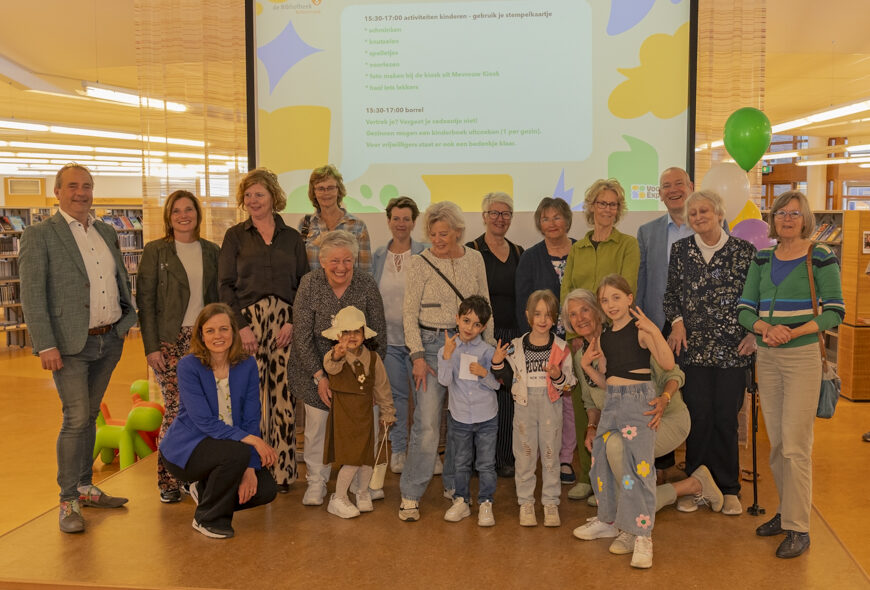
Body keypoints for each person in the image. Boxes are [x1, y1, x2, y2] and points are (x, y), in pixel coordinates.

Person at [20, 163, 138, 534]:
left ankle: (86, 487)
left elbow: (118, 279)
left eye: (87, 186)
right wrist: (45, 344)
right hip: (69, 345)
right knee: (75, 418)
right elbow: (32, 294)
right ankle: (68, 499)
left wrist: (124, 323)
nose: (81, 193)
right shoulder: (40, 235)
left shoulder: (105, 231)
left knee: (89, 416)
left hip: (109, 339)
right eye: (72, 186)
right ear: (57, 192)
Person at [738, 190, 844, 559]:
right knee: (779, 445)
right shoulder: (762, 258)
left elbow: (834, 311)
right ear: (773, 219)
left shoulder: (821, 256)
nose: (787, 218)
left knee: (797, 445)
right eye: (781, 212)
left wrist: (792, 332)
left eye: (795, 213)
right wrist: (765, 329)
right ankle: (786, 513)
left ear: (805, 219)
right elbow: (744, 309)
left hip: (801, 358)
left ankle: (799, 528)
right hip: (768, 357)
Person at [563, 288, 722, 514]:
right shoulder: (581, 357)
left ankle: (646, 508)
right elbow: (590, 403)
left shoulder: (629, 337)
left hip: (664, 419)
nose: (580, 318)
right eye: (573, 314)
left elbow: (674, 374)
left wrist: (664, 399)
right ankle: (693, 484)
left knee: (618, 457)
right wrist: (591, 426)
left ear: (598, 311)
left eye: (585, 310)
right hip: (624, 427)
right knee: (624, 492)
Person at [663, 189, 756, 516]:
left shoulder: (744, 251)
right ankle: (695, 485)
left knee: (725, 418)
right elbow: (671, 296)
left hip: (733, 350)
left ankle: (729, 487)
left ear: (719, 213)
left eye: (705, 211)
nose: (699, 217)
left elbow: (756, 296)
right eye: (693, 213)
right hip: (694, 351)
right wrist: (676, 323)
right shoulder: (681, 250)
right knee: (698, 417)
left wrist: (753, 333)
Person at [398, 201, 492, 522]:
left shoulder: (475, 259)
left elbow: (486, 308)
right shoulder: (419, 263)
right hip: (431, 346)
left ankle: (455, 486)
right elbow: (409, 314)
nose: (437, 240)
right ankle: (411, 494)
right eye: (433, 233)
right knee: (426, 423)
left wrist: (489, 352)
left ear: (458, 232)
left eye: (444, 233)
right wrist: (417, 355)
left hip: (470, 346)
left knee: (460, 422)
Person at [574, 274, 674, 569]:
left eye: (616, 297)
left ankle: (643, 535)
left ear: (630, 298)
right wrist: (585, 366)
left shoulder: (640, 330)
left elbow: (668, 363)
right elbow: (607, 381)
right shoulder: (604, 337)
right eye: (605, 300)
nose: (611, 304)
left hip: (638, 403)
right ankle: (609, 520)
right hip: (613, 403)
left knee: (640, 469)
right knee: (600, 461)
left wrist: (654, 331)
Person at [219, 167, 310, 492]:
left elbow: (304, 283)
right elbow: (225, 285)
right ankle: (252, 470)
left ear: (273, 197)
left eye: (259, 194)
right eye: (248, 195)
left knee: (283, 399)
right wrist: (241, 328)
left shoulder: (292, 237)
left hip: (285, 325)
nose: (253, 200)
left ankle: (283, 471)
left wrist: (293, 321)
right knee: (251, 401)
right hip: (248, 326)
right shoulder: (235, 236)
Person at [158, 303, 278, 539]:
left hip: (229, 449)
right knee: (236, 452)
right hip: (187, 451)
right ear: (201, 336)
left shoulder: (247, 365)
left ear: (233, 331)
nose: (218, 336)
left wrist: (250, 468)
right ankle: (207, 518)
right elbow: (203, 421)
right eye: (210, 330)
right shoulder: (188, 366)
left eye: (223, 329)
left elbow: (252, 417)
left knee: (265, 490)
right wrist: (253, 441)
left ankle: (204, 491)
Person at [290, 230, 387, 507]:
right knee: (317, 428)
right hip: (314, 369)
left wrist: (369, 379)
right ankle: (316, 481)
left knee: (362, 428)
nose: (341, 267)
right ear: (322, 261)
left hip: (357, 375)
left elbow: (378, 335)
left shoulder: (366, 284)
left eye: (347, 260)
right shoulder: (309, 284)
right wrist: (320, 376)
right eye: (334, 261)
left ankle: (360, 485)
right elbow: (302, 337)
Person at [137, 190, 221, 504]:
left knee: (204, 410)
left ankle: (192, 475)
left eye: (189, 210)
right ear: (168, 217)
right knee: (176, 409)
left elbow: (217, 299)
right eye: (176, 211)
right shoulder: (156, 251)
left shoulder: (211, 251)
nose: (183, 216)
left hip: (205, 341)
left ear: (198, 214)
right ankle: (168, 478)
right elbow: (145, 303)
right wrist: (151, 347)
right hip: (169, 341)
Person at [561, 180, 640, 497]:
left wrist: (604, 333)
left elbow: (624, 290)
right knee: (584, 408)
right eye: (601, 203)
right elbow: (567, 292)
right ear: (591, 206)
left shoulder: (628, 245)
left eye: (613, 204)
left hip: (615, 338)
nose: (607, 209)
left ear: (619, 210)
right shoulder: (577, 248)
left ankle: (610, 482)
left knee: (612, 408)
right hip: (579, 339)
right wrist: (574, 333)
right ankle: (587, 477)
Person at [491, 290, 576, 528]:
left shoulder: (561, 348)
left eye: (548, 314)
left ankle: (550, 502)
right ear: (528, 315)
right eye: (537, 314)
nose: (542, 319)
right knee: (524, 456)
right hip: (524, 407)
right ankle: (526, 502)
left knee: (550, 455)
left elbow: (569, 384)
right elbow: (504, 376)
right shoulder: (515, 346)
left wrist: (558, 376)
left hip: (551, 407)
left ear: (555, 318)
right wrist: (497, 361)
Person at [467, 192, 524, 479]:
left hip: (511, 337)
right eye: (494, 213)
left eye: (506, 213)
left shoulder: (519, 252)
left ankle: (504, 457)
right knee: (479, 395)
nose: (500, 219)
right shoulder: (471, 250)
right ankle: (477, 459)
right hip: (481, 336)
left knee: (507, 398)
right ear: (484, 216)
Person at [321, 306, 396, 519]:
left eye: (357, 331)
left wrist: (387, 411)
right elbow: (331, 367)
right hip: (344, 415)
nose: (352, 336)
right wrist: (337, 354)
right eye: (346, 332)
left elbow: (382, 387)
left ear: (364, 334)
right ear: (338, 335)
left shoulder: (373, 358)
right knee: (352, 458)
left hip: (364, 415)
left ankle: (362, 491)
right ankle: (338, 497)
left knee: (366, 457)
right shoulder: (335, 356)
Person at [372, 196, 427, 474]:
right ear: (388, 221)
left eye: (407, 219)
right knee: (396, 399)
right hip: (390, 342)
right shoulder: (378, 256)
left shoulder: (425, 253)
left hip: (420, 343)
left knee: (424, 401)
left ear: (414, 222)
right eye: (396, 218)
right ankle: (399, 450)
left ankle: (423, 452)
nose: (401, 223)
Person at [438, 295, 501, 526]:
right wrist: (447, 356)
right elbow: (444, 381)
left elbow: (497, 385)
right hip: (460, 417)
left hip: (487, 417)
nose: (469, 328)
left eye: (476, 324)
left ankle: (486, 502)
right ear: (457, 319)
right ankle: (461, 500)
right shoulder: (448, 350)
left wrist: (484, 374)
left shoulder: (487, 351)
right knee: (461, 462)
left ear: (483, 327)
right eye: (466, 321)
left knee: (486, 464)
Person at [636, 167, 694, 331]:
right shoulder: (646, 232)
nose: (673, 190)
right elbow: (641, 281)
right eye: (667, 186)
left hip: (701, 322)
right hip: (659, 323)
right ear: (660, 194)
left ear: (691, 187)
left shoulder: (712, 225)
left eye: (679, 183)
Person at [298, 164, 372, 274]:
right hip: (313, 285)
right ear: (314, 192)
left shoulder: (357, 226)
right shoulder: (305, 224)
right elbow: (300, 268)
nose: (326, 193)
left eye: (330, 188)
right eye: (321, 188)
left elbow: (365, 273)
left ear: (338, 190)